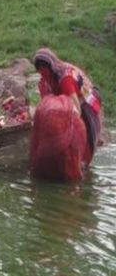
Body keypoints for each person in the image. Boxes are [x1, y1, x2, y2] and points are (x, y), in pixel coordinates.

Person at [31, 48, 103, 179]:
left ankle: (82, 162)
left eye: (44, 67)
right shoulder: (43, 82)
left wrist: (71, 130)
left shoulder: (66, 77)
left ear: (51, 66)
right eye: (39, 68)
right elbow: (46, 104)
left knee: (83, 135)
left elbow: (76, 107)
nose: (42, 71)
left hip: (83, 103)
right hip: (64, 104)